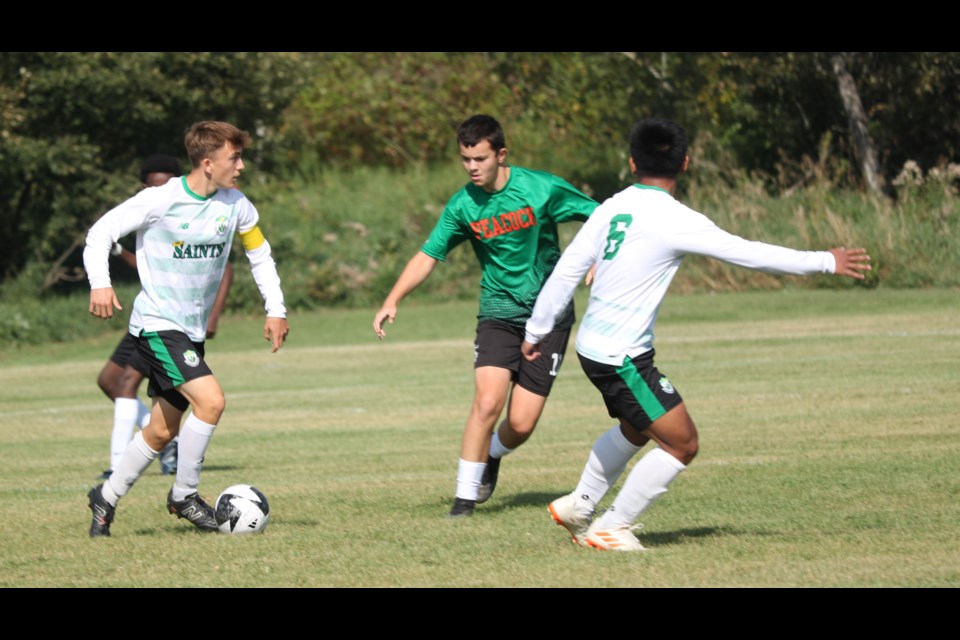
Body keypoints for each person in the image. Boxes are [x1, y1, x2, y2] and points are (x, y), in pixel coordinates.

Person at [521, 118, 871, 551]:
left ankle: (580, 505)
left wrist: (536, 329)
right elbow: (750, 254)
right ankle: (613, 528)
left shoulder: (611, 206)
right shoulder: (676, 219)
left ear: (632, 162)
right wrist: (824, 260)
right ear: (685, 162)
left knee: (635, 428)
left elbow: (568, 269)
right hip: (622, 356)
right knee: (682, 443)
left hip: (593, 348)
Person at [373, 114, 598, 518]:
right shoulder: (463, 205)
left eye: (479, 158)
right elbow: (428, 255)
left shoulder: (541, 188)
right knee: (487, 401)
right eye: (465, 159)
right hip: (498, 312)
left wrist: (599, 258)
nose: (472, 167)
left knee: (522, 424)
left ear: (501, 154)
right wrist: (393, 298)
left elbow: (599, 216)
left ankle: (492, 455)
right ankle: (463, 501)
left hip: (549, 317)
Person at [83, 121, 289, 537]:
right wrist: (100, 284)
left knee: (161, 430)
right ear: (208, 163)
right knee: (211, 402)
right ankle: (185, 495)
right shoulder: (159, 200)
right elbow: (100, 232)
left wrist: (276, 309)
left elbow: (260, 255)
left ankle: (105, 496)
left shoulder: (237, 205)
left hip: (189, 331)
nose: (242, 166)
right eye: (235, 157)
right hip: (159, 326)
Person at [95, 153, 235, 480]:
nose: (160, 189)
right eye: (152, 185)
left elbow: (223, 265)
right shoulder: (148, 207)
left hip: (175, 325)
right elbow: (142, 265)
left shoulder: (201, 208)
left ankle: (119, 463)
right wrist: (114, 256)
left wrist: (213, 315)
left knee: (128, 384)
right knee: (108, 381)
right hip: (146, 317)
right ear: (145, 187)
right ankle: (159, 439)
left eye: (165, 183)